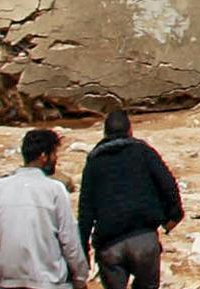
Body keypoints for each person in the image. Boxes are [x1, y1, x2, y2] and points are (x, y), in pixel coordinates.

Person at [78, 110, 185, 289]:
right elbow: (168, 184)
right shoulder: (144, 152)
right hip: (144, 240)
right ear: (130, 130)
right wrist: (173, 216)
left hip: (109, 246)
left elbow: (85, 211)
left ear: (105, 134)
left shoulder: (94, 162)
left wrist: (83, 249)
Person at [0, 129, 91, 289]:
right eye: (54, 153)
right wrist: (80, 278)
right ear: (44, 156)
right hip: (49, 281)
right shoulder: (55, 189)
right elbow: (69, 241)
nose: (56, 159)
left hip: (8, 282)